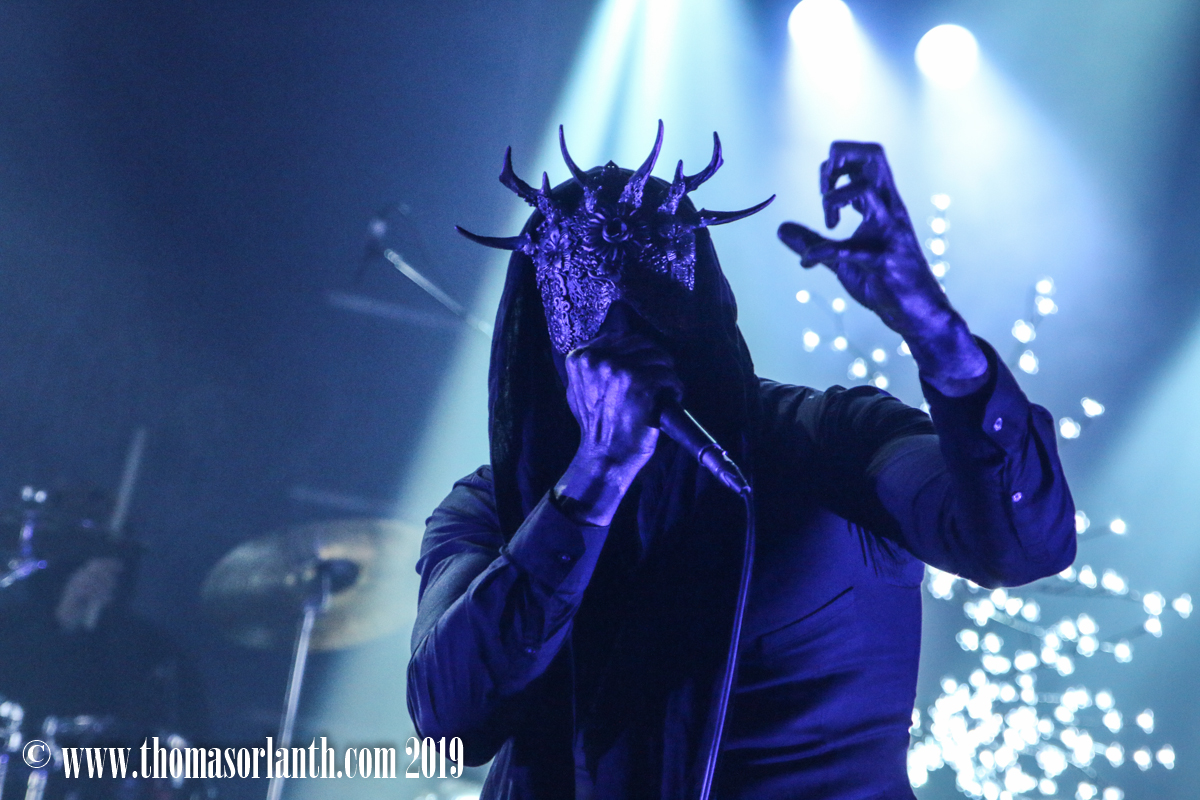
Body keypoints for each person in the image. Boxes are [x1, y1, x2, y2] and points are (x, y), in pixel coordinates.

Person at [406, 126, 1076, 800]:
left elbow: (1023, 544)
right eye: (590, 297)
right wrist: (594, 477)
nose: (625, 331)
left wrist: (939, 336)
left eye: (651, 292)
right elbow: (447, 722)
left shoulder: (827, 443)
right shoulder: (493, 509)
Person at [0, 486, 206, 798]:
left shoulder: (153, 650)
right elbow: (30, 694)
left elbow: (185, 747)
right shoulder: (12, 627)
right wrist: (63, 621)